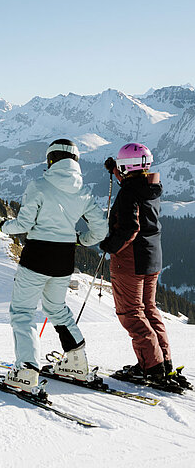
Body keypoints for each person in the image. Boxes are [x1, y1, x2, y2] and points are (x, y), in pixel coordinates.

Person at [0, 139, 107, 394]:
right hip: (64, 259)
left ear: (51, 160)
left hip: (37, 257)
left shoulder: (39, 186)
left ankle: (26, 371)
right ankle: (76, 361)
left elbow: (23, 224)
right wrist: (81, 239)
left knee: (23, 312)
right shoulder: (84, 191)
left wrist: (2, 226)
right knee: (56, 308)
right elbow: (101, 229)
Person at [100, 143, 175, 386]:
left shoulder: (129, 193)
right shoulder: (150, 187)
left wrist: (110, 245)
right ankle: (162, 361)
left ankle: (151, 367)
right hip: (153, 258)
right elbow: (133, 187)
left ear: (126, 165)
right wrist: (116, 172)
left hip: (130, 261)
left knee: (131, 313)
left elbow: (130, 228)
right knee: (148, 309)